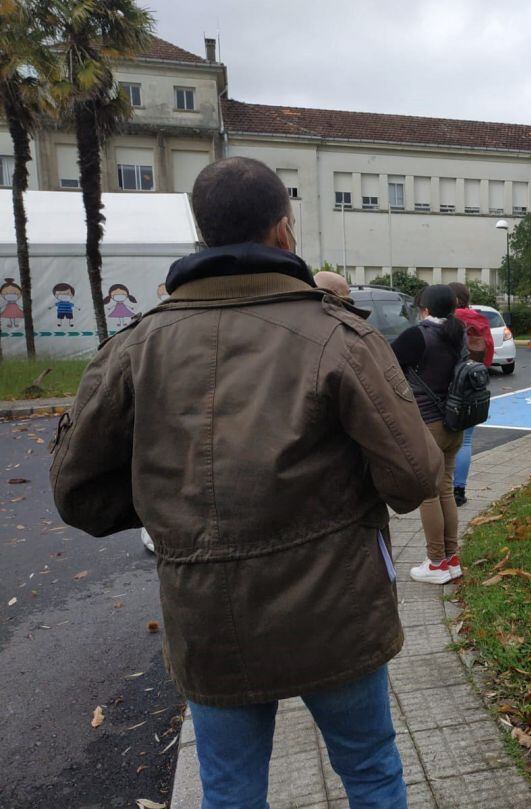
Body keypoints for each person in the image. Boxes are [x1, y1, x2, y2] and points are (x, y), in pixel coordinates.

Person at [50, 156, 443, 809]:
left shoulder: (133, 348)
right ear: (283, 233)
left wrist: (171, 510)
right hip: (336, 610)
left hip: (210, 618)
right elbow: (413, 477)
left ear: (203, 236)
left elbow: (77, 492)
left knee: (230, 790)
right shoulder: (338, 334)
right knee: (372, 771)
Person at [391, 284, 469, 585]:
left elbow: (386, 363)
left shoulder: (417, 335)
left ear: (423, 308)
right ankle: (451, 558)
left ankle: (435, 563)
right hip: (454, 424)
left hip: (428, 424)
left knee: (429, 494)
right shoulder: (457, 333)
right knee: (445, 489)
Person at [447, 281, 494, 507]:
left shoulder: (446, 320)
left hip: (448, 385)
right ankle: (459, 489)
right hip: (472, 385)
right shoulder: (480, 321)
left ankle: (443, 488)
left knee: (441, 438)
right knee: (465, 440)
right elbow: (489, 354)